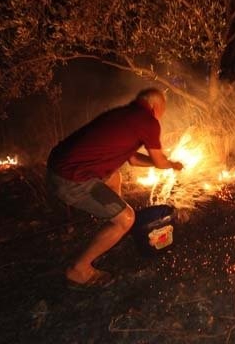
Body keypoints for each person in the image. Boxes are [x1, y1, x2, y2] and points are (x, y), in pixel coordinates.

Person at [47, 88, 183, 288]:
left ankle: (116, 226)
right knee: (126, 218)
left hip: (58, 168)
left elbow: (134, 160)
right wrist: (173, 164)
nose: (162, 115)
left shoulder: (122, 115)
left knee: (114, 177)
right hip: (71, 179)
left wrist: (159, 162)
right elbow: (161, 162)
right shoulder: (148, 121)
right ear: (155, 106)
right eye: (163, 109)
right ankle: (79, 269)